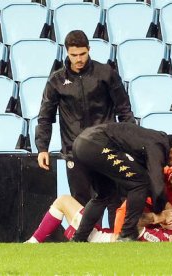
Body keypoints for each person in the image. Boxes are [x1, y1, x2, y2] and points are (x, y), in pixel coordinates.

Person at [35, 30, 135, 227]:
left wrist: (132, 142)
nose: (79, 59)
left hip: (107, 147)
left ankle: (119, 246)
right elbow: (45, 116)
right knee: (81, 202)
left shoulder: (106, 73)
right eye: (74, 55)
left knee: (115, 199)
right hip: (75, 151)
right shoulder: (56, 80)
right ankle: (87, 246)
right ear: (67, 53)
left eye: (82, 54)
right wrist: (42, 148)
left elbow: (124, 109)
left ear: (89, 50)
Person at [68, 122, 172, 242]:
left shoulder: (154, 139)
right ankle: (127, 234)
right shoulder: (158, 145)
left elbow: (151, 181)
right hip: (96, 144)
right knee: (140, 182)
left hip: (82, 143)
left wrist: (164, 209)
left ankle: (79, 238)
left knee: (104, 194)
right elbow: (156, 182)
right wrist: (163, 211)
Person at [25, 163, 172, 243]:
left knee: (63, 201)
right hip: (105, 235)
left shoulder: (159, 241)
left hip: (98, 240)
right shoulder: (168, 235)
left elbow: (130, 224)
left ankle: (32, 244)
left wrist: (157, 218)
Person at [114, 162, 172, 241]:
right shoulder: (158, 174)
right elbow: (138, 198)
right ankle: (119, 240)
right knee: (126, 210)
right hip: (149, 203)